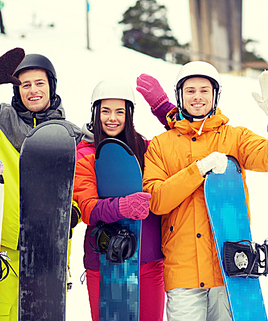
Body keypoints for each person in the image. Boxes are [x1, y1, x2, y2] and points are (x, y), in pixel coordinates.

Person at [142, 61, 268, 321]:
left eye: (204, 90)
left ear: (215, 95)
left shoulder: (233, 138)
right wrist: (197, 170)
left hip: (228, 269)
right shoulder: (161, 145)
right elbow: (156, 201)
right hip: (183, 272)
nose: (197, 97)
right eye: (190, 91)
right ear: (179, 96)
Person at [0, 48, 82, 320]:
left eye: (39, 83)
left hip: (49, 254)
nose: (33, 90)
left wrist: (74, 210)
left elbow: (78, 185)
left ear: (51, 86)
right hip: (4, 253)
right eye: (25, 84)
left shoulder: (69, 135)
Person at [73, 79, 174, 321]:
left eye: (120, 111)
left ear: (130, 115)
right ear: (95, 113)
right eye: (105, 111)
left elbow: (183, 140)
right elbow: (87, 208)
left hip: (148, 260)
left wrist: (163, 109)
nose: (112, 118)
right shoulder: (85, 154)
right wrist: (121, 206)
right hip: (105, 259)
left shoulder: (148, 149)